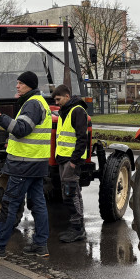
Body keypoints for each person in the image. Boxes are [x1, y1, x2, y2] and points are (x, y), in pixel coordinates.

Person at [0, 71, 51, 261]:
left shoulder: (32, 104)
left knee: (9, 204)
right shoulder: (38, 102)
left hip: (24, 165)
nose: (17, 86)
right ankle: (40, 245)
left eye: (20, 83)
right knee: (38, 204)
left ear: (29, 85)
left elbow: (21, 129)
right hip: (36, 163)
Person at [52, 84, 89, 243]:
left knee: (70, 194)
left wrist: (74, 161)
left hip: (71, 161)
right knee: (73, 193)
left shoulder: (77, 111)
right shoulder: (65, 111)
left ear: (67, 96)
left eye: (58, 99)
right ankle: (78, 227)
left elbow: (82, 138)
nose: (57, 102)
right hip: (64, 159)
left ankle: (77, 229)